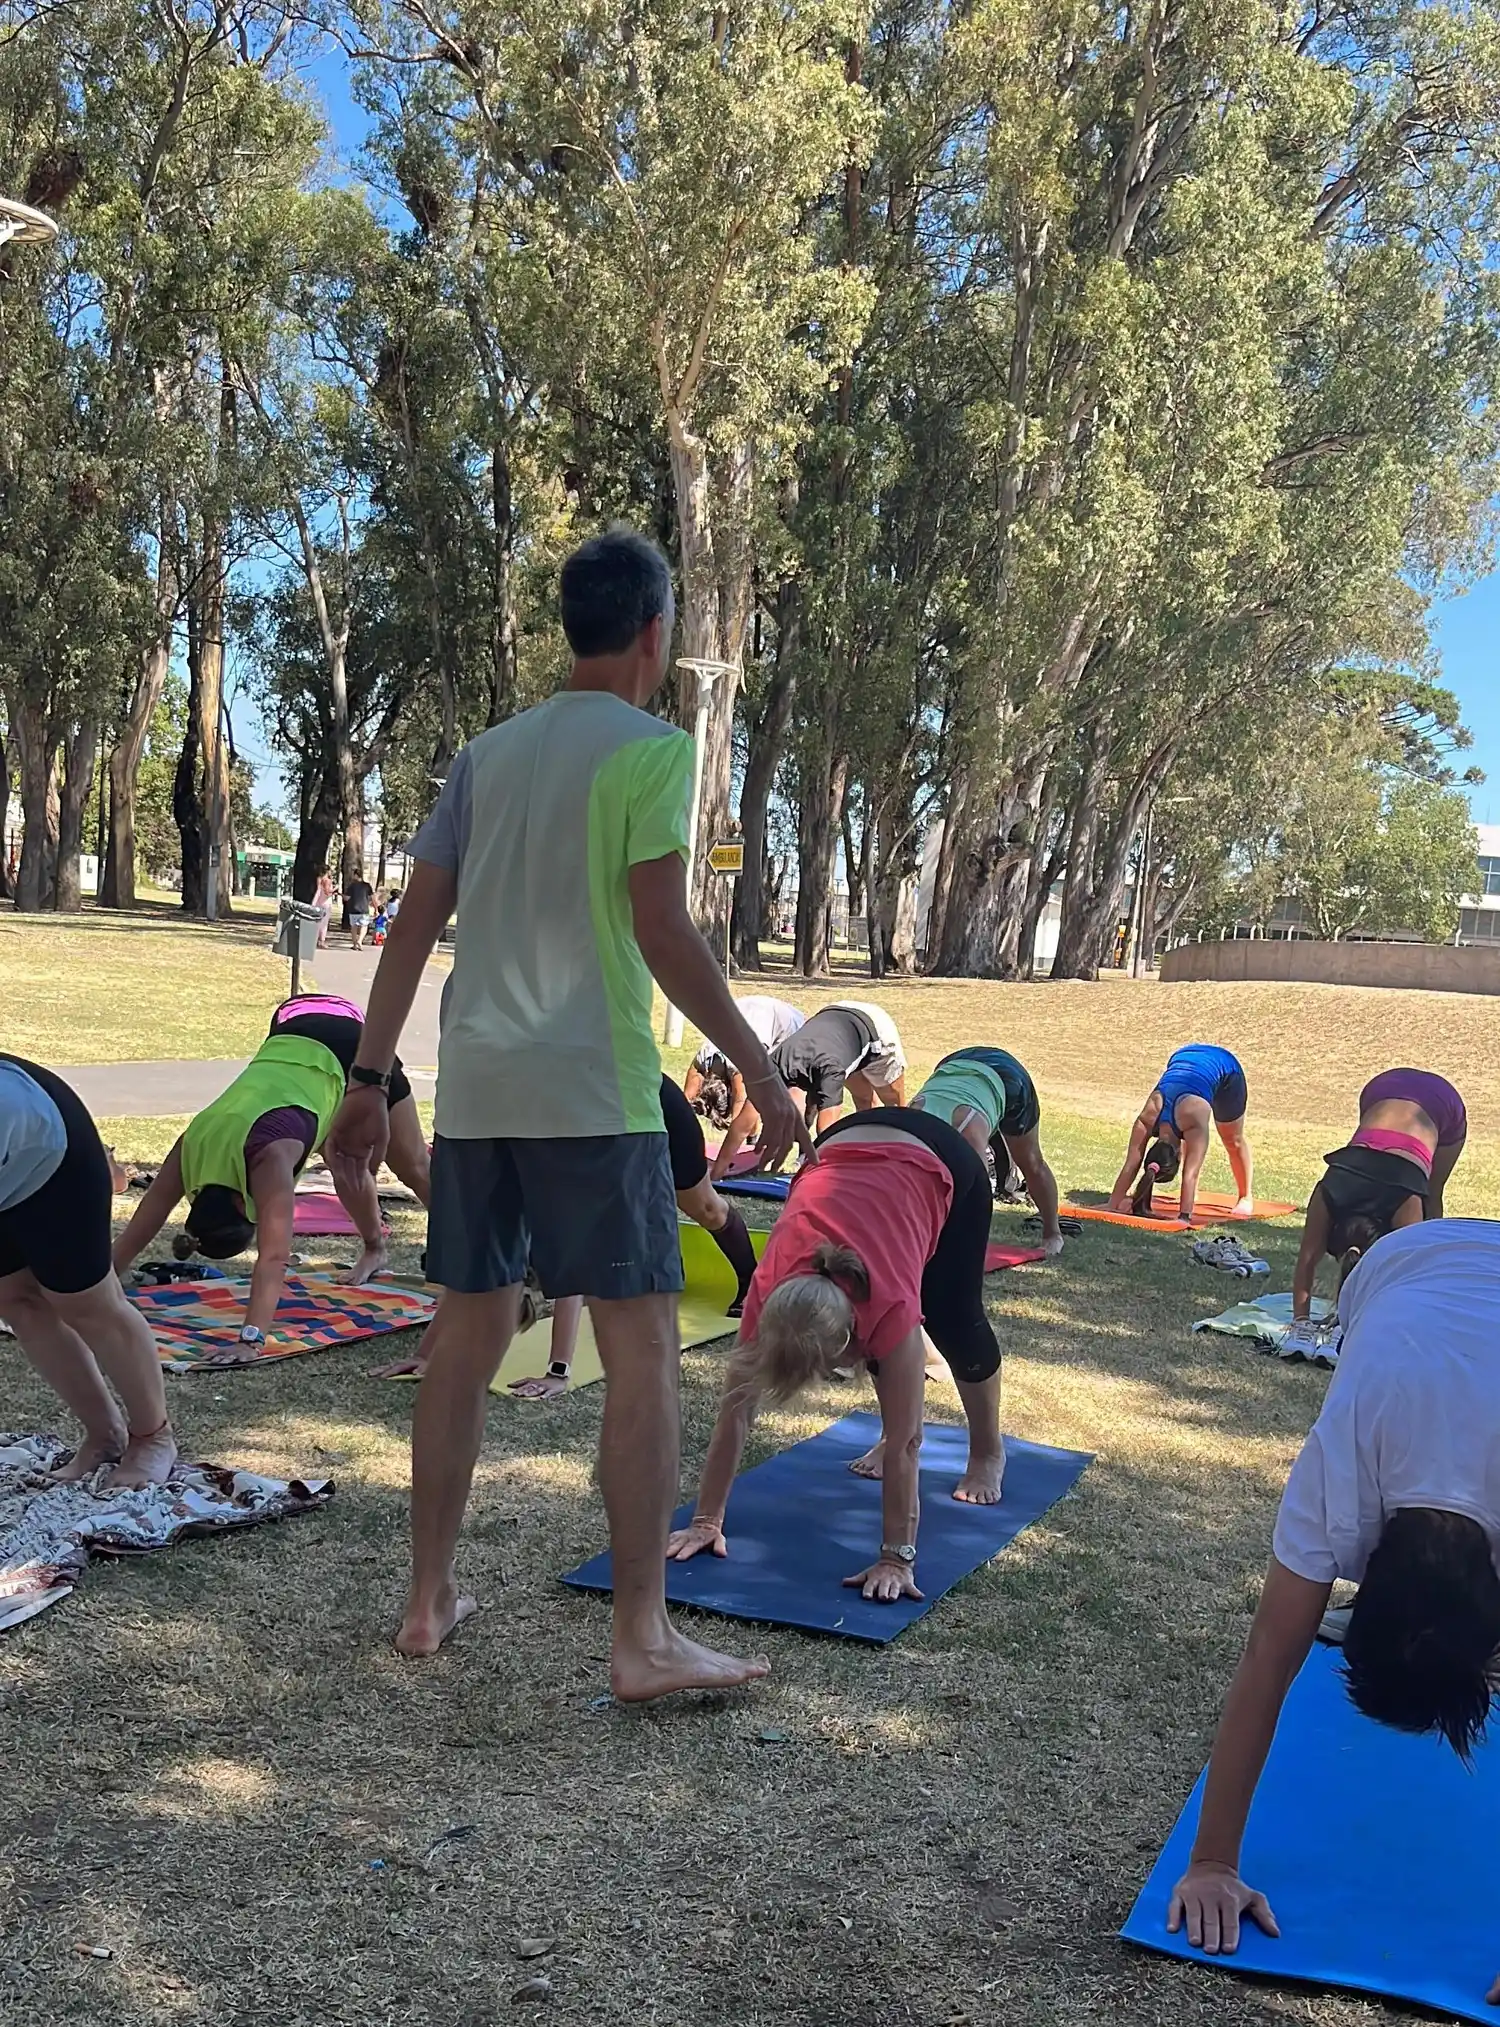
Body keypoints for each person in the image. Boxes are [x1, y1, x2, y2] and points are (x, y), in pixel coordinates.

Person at [323, 525, 809, 1700]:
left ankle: (426, 1601)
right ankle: (641, 1637)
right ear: (655, 633)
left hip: (481, 1089)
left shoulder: (486, 754)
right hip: (594, 1093)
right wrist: (757, 1062)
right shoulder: (654, 751)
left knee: (464, 1340)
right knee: (639, 1345)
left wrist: (366, 1076)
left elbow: (414, 923)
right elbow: (660, 922)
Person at [1166, 1221, 1500, 1998]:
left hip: (1421, 1289)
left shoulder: (1354, 1487)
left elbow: (1271, 1656)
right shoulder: (1343, 1470)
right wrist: (1211, 1860)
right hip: (1396, 1268)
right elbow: (1269, 1655)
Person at [668, 1107, 1007, 1605]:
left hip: (941, 1161)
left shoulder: (889, 1308)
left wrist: (897, 1557)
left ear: (854, 1336)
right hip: (841, 1146)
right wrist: (705, 1521)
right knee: (890, 1381)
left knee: (955, 1322)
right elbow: (734, 1413)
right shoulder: (768, 1292)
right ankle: (888, 1420)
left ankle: (987, 1452)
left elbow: (908, 1445)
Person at [114, 994, 430, 1359]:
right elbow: (140, 1226)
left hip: (351, 1045)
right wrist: (92, 1288)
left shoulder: (269, 1158)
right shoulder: (193, 1144)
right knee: (344, 1161)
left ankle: (465, 1257)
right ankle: (375, 1250)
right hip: (292, 1030)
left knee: (413, 1167)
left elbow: (274, 1256)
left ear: (240, 1202)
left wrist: (250, 1339)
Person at [0, 1055, 177, 1486]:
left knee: (85, 1302)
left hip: (47, 1145)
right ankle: (105, 1437)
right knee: (14, 1299)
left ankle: (154, 1437)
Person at [1288, 1069, 1466, 1341]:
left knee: (1431, 1193)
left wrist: (1301, 1321)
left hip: (1433, 1100)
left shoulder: (1404, 1201)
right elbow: (1307, 1262)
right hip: (1386, 1086)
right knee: (1426, 1202)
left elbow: (1308, 1260)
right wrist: (1300, 1322)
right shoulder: (1330, 1191)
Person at [910, 1045, 1064, 1255]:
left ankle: (1053, 1235)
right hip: (953, 1065)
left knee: (1030, 1162)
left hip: (1008, 1078)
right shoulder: (911, 1127)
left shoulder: (968, 1132)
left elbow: (978, 1198)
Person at [1109, 1044, 1253, 1221]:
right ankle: (1194, 1195)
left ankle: (1245, 1196)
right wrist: (1112, 1204)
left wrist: (1184, 1216)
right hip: (1183, 1055)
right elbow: (1132, 1162)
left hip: (1226, 1068)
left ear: (1178, 1156)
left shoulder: (1191, 1118)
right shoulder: (1147, 1119)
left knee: (1232, 1139)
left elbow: (1190, 1173)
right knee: (1191, 1139)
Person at [682, 994, 805, 1179]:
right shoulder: (702, 1059)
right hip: (748, 1008)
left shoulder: (738, 1070)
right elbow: (685, 1102)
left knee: (793, 1090)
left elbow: (745, 1115)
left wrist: (744, 1152)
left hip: (789, 1024)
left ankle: (802, 1154)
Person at [765, 1001, 909, 1144]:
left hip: (875, 1027)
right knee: (863, 1099)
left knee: (894, 1105)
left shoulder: (830, 1071)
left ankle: (905, 1145)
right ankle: (869, 1148)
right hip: (834, 1022)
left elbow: (827, 1131)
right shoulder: (775, 1063)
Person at [346, 870, 375, 950]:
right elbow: (372, 898)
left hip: (353, 909)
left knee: (354, 927)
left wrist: (341, 895)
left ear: (355, 875)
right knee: (364, 926)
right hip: (364, 909)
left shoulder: (352, 886)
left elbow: (347, 898)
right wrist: (375, 908)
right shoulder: (367, 886)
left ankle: (355, 944)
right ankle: (360, 940)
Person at [313, 867, 335, 949]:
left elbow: (318, 891)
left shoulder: (319, 879)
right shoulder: (327, 881)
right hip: (326, 903)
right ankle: (321, 941)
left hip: (318, 902)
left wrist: (314, 902)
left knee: (317, 922)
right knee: (324, 923)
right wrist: (335, 889)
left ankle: (314, 940)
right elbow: (327, 893)